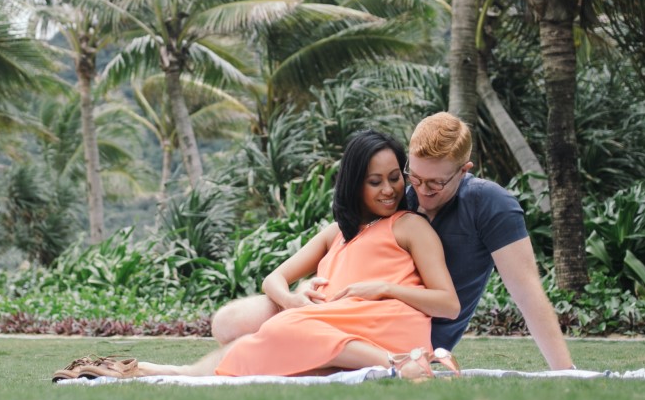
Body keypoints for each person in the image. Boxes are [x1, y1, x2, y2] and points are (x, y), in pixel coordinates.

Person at [54, 130, 461, 380]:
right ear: (354, 184)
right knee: (267, 341)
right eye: (375, 181)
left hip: (386, 323)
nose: (389, 189)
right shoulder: (336, 233)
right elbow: (274, 280)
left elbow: (448, 303)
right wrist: (292, 300)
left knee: (284, 333)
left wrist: (383, 288)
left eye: (394, 178)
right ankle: (142, 371)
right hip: (331, 326)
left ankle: (399, 361)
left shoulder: (410, 226)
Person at [210, 113, 575, 371]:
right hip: (349, 311)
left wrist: (566, 372)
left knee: (285, 339)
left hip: (408, 325)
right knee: (231, 323)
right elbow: (345, 245)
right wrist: (299, 293)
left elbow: (528, 293)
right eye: (414, 177)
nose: (421, 191)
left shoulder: (491, 205)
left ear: (465, 171)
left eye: (436, 183)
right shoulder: (399, 195)